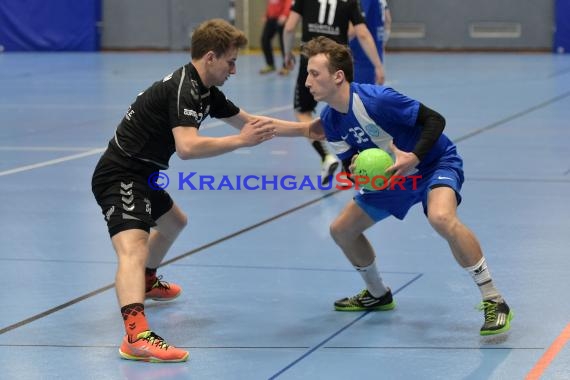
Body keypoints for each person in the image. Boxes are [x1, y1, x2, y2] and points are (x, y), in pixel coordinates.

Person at [91, 19, 323, 363]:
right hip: (121, 173)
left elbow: (253, 123)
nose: (234, 69)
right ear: (211, 57)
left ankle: (147, 282)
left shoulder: (205, 91)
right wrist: (240, 143)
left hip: (144, 172)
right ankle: (136, 335)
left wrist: (308, 130)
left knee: (173, 223)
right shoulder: (184, 88)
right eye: (230, 61)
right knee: (133, 247)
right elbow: (187, 147)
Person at [300, 36, 513, 335]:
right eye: (307, 73)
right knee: (342, 230)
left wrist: (414, 156)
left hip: (431, 162)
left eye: (314, 73)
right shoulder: (331, 121)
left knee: (441, 218)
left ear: (337, 76)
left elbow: (435, 120)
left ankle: (494, 299)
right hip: (393, 176)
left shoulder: (377, 100)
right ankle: (377, 294)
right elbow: (350, 166)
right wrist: (360, 175)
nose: (307, 81)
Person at [282, 0, 386, 186]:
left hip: (311, 60)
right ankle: (357, 165)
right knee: (347, 111)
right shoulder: (350, 2)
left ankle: (326, 157)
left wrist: (286, 54)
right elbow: (361, 32)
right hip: (338, 60)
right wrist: (377, 64)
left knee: (302, 111)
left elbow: (289, 27)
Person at [349, 0, 392, 84]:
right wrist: (382, 42)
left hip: (360, 57)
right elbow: (388, 20)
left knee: (358, 94)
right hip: (374, 55)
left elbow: (354, 30)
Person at [259, 0, 292, 75]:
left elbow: (288, 2)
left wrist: (285, 15)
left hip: (282, 18)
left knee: (284, 43)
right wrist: (266, 15)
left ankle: (286, 66)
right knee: (264, 40)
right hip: (271, 18)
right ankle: (270, 64)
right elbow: (271, 4)